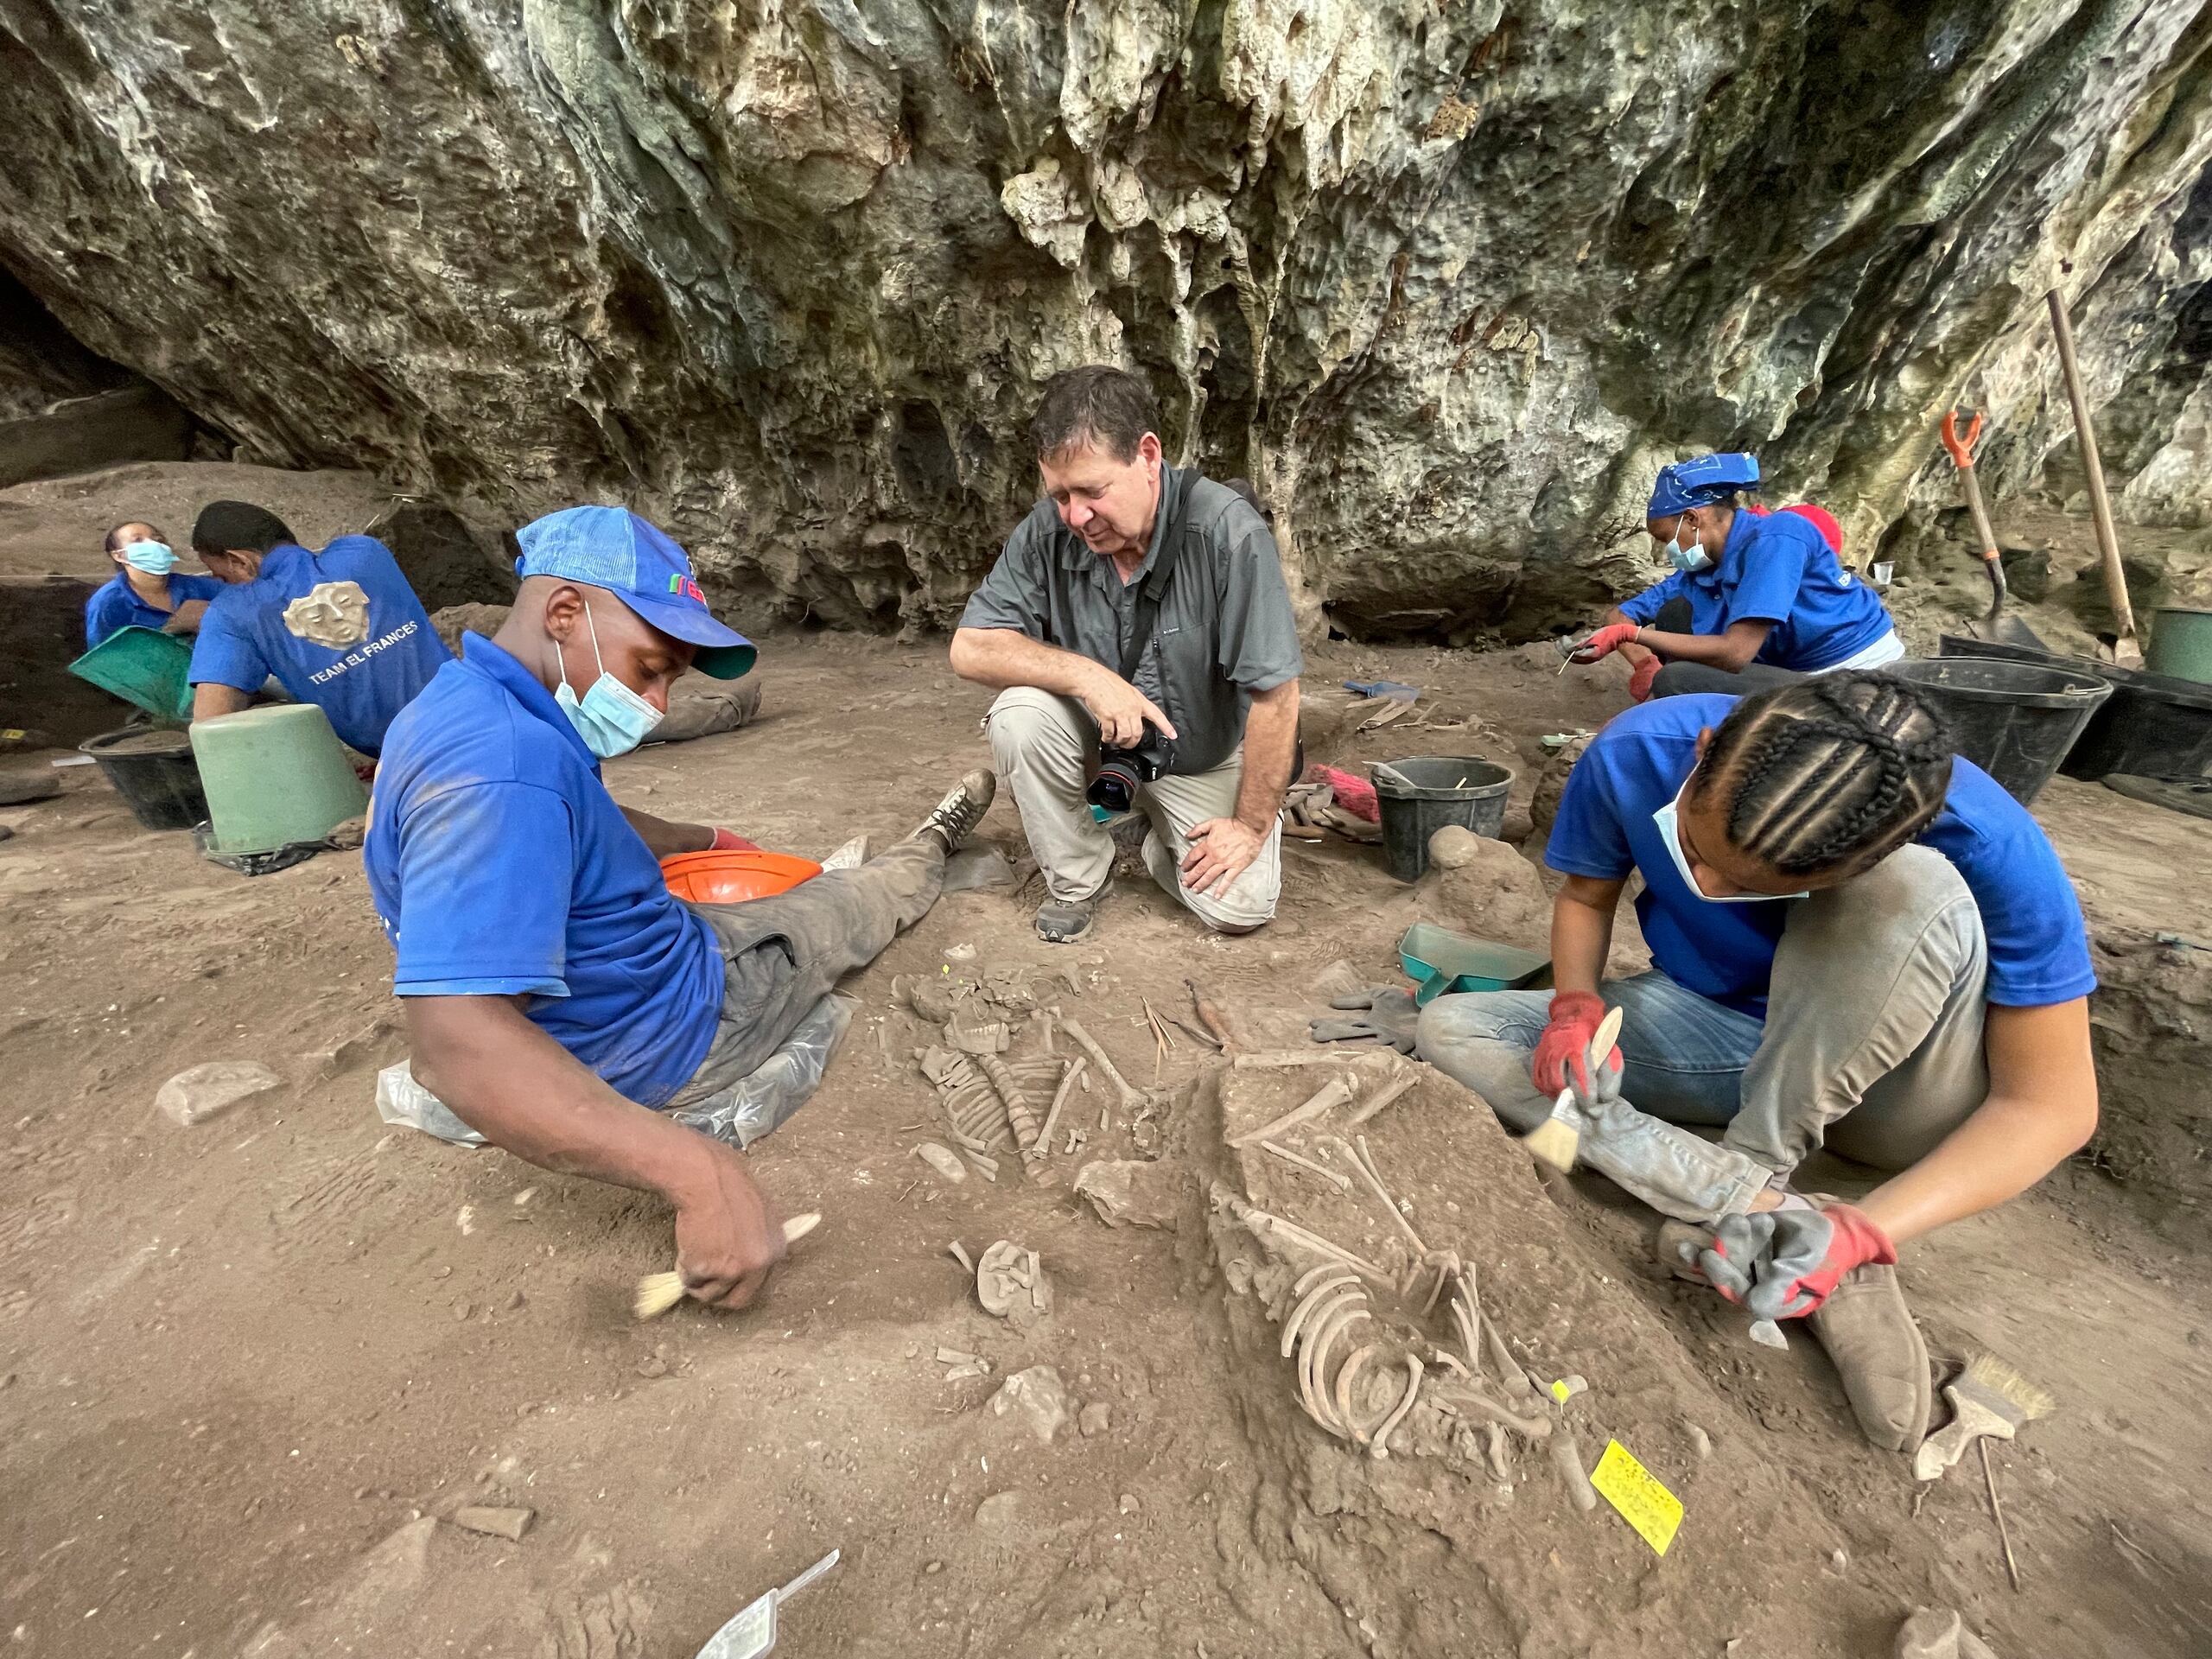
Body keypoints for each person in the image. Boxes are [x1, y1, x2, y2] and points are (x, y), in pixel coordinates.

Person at [1413, 674, 2099, 1452]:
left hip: (1897, 1090)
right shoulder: (1640, 752)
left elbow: (2053, 1108)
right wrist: (1575, 1009)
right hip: (1722, 1033)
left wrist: (1867, 1229)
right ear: (1705, 755)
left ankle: (1788, 1213)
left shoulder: (1986, 845)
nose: (1704, 888)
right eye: (1702, 853)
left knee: (1913, 891)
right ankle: (1764, 1213)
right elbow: (1586, 898)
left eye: (1750, 887)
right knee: (1458, 1030)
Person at [365, 505, 995, 1311]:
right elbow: (455, 1047)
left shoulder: (469, 706)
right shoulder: (506, 771)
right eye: (650, 667)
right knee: (848, 901)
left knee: (779, 892)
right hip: (673, 1026)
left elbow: (576, 820)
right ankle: (929, 848)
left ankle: (849, 878)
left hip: (613, 989)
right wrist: (703, 1177)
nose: (657, 704)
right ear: (566, 615)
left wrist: (702, 837)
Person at [950, 366, 1303, 944]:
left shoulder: (1226, 533)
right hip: (1102, 746)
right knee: (1019, 716)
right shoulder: (1049, 532)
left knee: (1240, 907)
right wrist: (1089, 677)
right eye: (1060, 495)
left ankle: (1151, 834)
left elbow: (1277, 694)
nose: (1075, 516)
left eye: (1092, 491)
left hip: (1204, 757)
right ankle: (1079, 877)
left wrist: (1248, 825)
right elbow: (971, 647)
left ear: (1147, 455)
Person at [1571, 454, 1902, 701]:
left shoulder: (1778, 538)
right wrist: (1642, 660)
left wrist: (1633, 635)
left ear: (1692, 519)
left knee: (1676, 680)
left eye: (1664, 538)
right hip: (1794, 667)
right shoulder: (1704, 567)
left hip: (1852, 673)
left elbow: (1735, 653)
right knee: (1676, 616)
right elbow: (1625, 615)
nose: (1666, 549)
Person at [188, 499, 451, 756]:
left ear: (241, 562)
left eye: (222, 577)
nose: (223, 584)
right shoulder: (365, 551)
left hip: (412, 757)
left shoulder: (232, 612)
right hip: (477, 708)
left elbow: (211, 727)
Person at [82, 521, 223, 646]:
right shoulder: (107, 603)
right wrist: (172, 628)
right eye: (138, 540)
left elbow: (242, 597)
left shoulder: (194, 586)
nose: (154, 545)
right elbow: (105, 665)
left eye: (159, 540)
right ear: (119, 555)